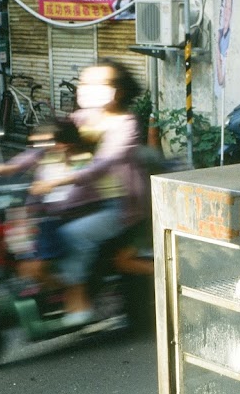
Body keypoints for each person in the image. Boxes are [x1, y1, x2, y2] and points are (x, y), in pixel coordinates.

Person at [28, 58, 151, 326]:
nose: (85, 88)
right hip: (83, 202)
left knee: (72, 235)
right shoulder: (80, 118)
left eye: (96, 83)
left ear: (117, 91)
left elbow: (104, 163)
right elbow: (50, 141)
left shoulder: (126, 124)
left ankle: (77, 299)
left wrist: (60, 181)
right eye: (84, 82)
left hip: (121, 207)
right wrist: (13, 164)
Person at [0, 119, 95, 292]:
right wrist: (0, 168)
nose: (41, 146)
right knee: (2, 240)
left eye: (48, 141)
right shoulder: (44, 154)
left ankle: (62, 291)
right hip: (38, 215)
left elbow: (71, 198)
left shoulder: (83, 162)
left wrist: (47, 190)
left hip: (61, 219)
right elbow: (17, 164)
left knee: (32, 266)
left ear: (65, 144)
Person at [214, 0, 233, 88]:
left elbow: (221, 80)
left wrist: (217, 44)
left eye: (229, 9)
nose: (226, 12)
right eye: (225, 6)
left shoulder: (229, 37)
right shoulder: (221, 33)